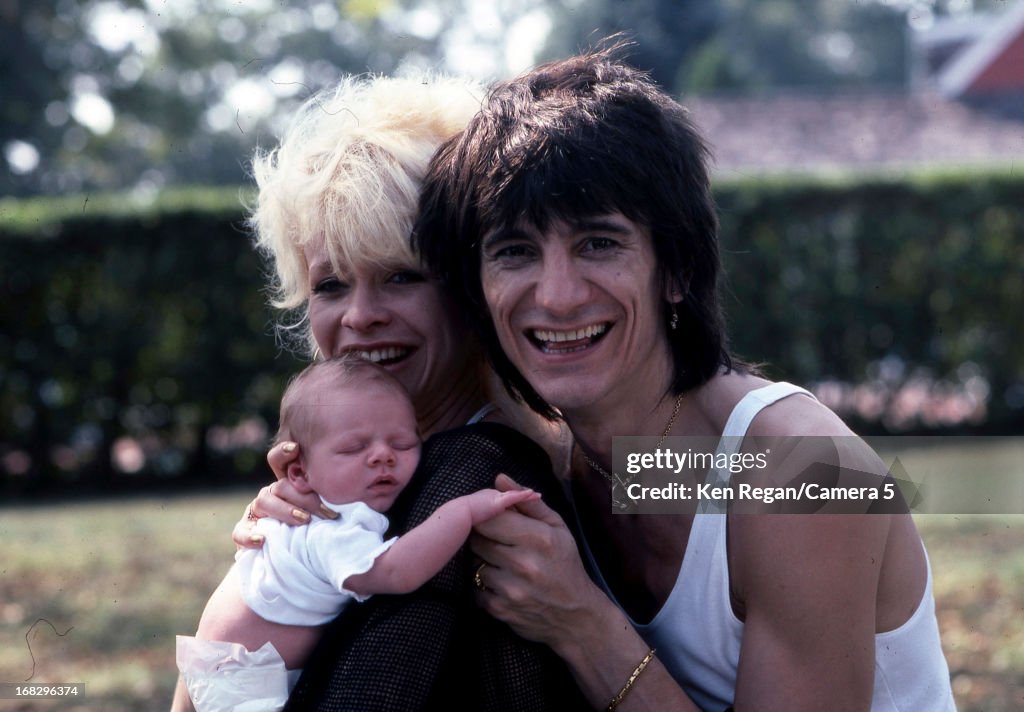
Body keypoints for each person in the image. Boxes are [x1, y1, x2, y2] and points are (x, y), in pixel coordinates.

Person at [413, 44, 957, 711]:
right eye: (515, 252)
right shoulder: (548, 456)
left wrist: (585, 625)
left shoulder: (807, 472)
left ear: (678, 272)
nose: (554, 296)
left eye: (599, 244)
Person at [171, 73, 585, 711]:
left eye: (400, 275)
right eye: (330, 285)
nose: (360, 315)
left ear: (476, 285)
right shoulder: (354, 483)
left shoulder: (474, 470)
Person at [176, 357, 539, 711]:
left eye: (402, 444)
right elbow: (397, 571)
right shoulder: (330, 526)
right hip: (245, 685)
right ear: (299, 473)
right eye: (354, 448)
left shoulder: (307, 510)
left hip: (226, 669)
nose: (383, 456)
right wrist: (465, 510)